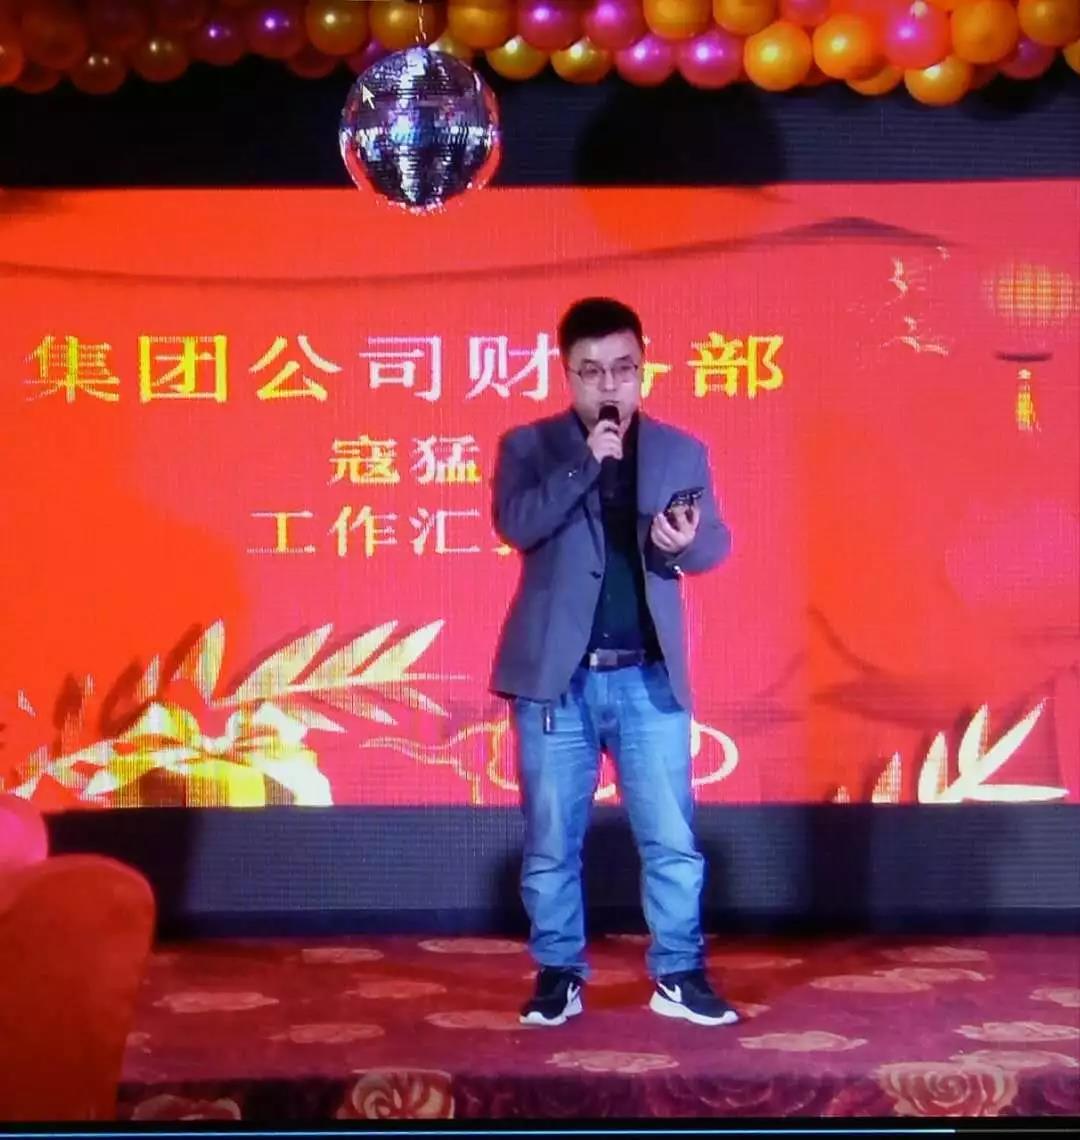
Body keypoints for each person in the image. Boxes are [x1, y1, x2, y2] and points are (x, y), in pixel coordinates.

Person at [491, 296, 738, 1028]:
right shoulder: (530, 447)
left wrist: (683, 543)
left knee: (671, 840)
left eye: (624, 369)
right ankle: (559, 973)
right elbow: (516, 524)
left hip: (648, 677)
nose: (610, 386)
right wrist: (584, 465)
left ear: (644, 367)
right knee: (550, 843)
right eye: (592, 371)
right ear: (566, 373)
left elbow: (714, 543)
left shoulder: (681, 451)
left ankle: (678, 973)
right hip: (555, 681)